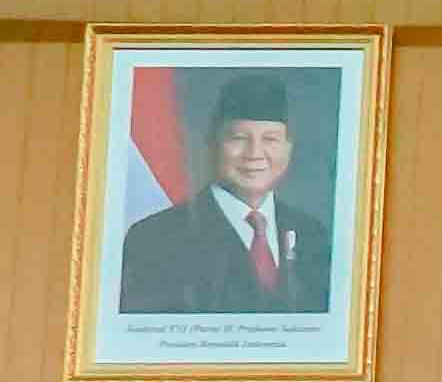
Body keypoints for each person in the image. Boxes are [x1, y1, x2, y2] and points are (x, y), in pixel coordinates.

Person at [115, 68, 330, 314]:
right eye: (239, 138)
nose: (254, 154)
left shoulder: (313, 236)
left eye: (270, 139)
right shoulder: (156, 239)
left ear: (288, 147)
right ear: (212, 143)